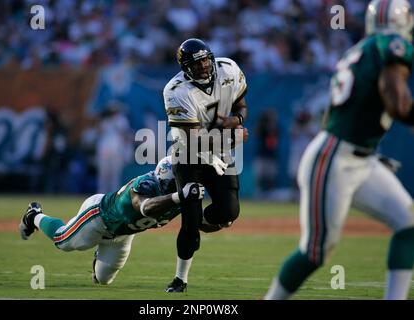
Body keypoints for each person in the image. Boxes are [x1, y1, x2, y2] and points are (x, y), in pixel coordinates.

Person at [264, 0, 414, 300]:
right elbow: (397, 104)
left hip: (357, 156)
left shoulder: (358, 50)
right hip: (337, 158)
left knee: (409, 225)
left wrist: (366, 146)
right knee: (315, 252)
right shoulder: (392, 45)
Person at [19, 156, 203, 285]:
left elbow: (197, 222)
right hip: (99, 217)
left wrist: (219, 220)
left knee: (103, 280)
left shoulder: (179, 196)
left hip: (123, 234)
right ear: (164, 180)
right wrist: (179, 196)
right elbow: (145, 207)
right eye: (174, 184)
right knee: (63, 241)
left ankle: (98, 256)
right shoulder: (146, 185)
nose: (177, 187)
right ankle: (34, 215)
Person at [163, 38, 248, 292]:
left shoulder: (229, 69)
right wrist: (232, 137)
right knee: (189, 223)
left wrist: (238, 118)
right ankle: (180, 279)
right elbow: (195, 141)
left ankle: (197, 218)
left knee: (229, 212)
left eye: (204, 60)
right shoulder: (176, 90)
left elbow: (241, 102)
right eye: (196, 63)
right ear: (184, 68)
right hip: (188, 154)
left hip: (219, 150)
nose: (203, 66)